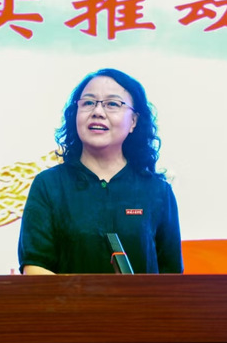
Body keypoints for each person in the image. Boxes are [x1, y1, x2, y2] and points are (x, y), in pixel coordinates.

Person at [18, 68, 183, 275]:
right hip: (65, 298)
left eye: (112, 104)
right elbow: (35, 266)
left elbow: (171, 275)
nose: (97, 112)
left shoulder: (158, 191)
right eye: (88, 103)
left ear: (133, 121)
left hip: (140, 299)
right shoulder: (49, 185)